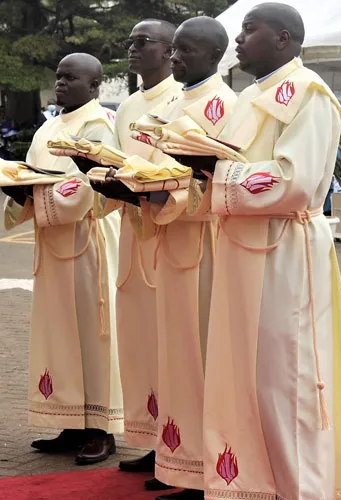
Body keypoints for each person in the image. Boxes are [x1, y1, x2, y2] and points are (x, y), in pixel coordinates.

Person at [180, 4, 341, 499]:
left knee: (286, 380)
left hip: (284, 250)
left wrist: (217, 171)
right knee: (242, 377)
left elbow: (294, 180)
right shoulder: (248, 98)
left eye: (249, 30)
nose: (238, 39)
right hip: (240, 250)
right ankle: (255, 485)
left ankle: (302, 490)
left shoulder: (310, 94)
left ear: (283, 38)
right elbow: (228, 166)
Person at [1, 53, 123, 465]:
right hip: (54, 243)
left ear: (94, 86)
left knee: (92, 333)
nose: (61, 83)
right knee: (59, 332)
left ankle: (101, 429)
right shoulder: (48, 127)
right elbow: (32, 174)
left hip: (88, 240)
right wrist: (14, 186)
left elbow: (91, 186)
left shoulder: (100, 125)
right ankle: (70, 420)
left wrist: (34, 195)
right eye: (58, 77)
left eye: (71, 77)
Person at [136, 16, 236, 500]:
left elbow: (221, 178)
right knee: (172, 355)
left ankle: (203, 469)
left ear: (214, 56)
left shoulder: (224, 106)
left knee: (199, 357)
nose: (174, 57)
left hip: (203, 246)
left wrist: (162, 192)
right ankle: (175, 458)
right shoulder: (176, 102)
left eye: (185, 50)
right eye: (173, 48)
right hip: (169, 241)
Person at [106, 19, 182, 486]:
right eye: (129, 42)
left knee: (169, 346)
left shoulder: (181, 99)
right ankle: (155, 443)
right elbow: (116, 161)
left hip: (169, 232)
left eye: (142, 42)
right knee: (139, 344)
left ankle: (178, 448)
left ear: (170, 50)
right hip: (132, 232)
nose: (132, 49)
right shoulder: (129, 106)